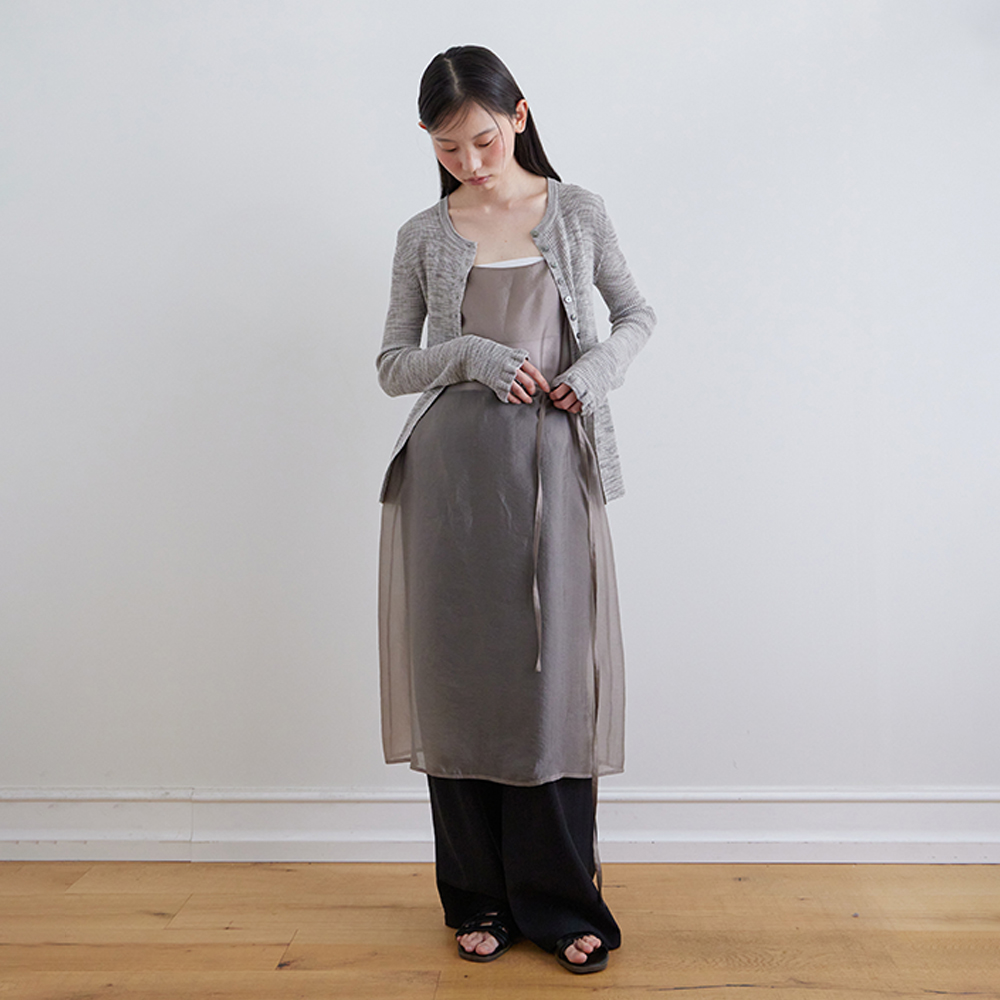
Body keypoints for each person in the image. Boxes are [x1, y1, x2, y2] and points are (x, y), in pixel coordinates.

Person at [376, 45, 655, 975]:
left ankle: (562, 901)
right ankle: (478, 898)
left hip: (554, 471)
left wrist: (593, 372)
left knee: (551, 686)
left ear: (520, 116)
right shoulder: (423, 234)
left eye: (484, 141)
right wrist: (472, 354)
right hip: (451, 487)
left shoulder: (578, 212)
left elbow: (637, 315)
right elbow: (393, 365)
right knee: (461, 686)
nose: (471, 163)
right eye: (448, 148)